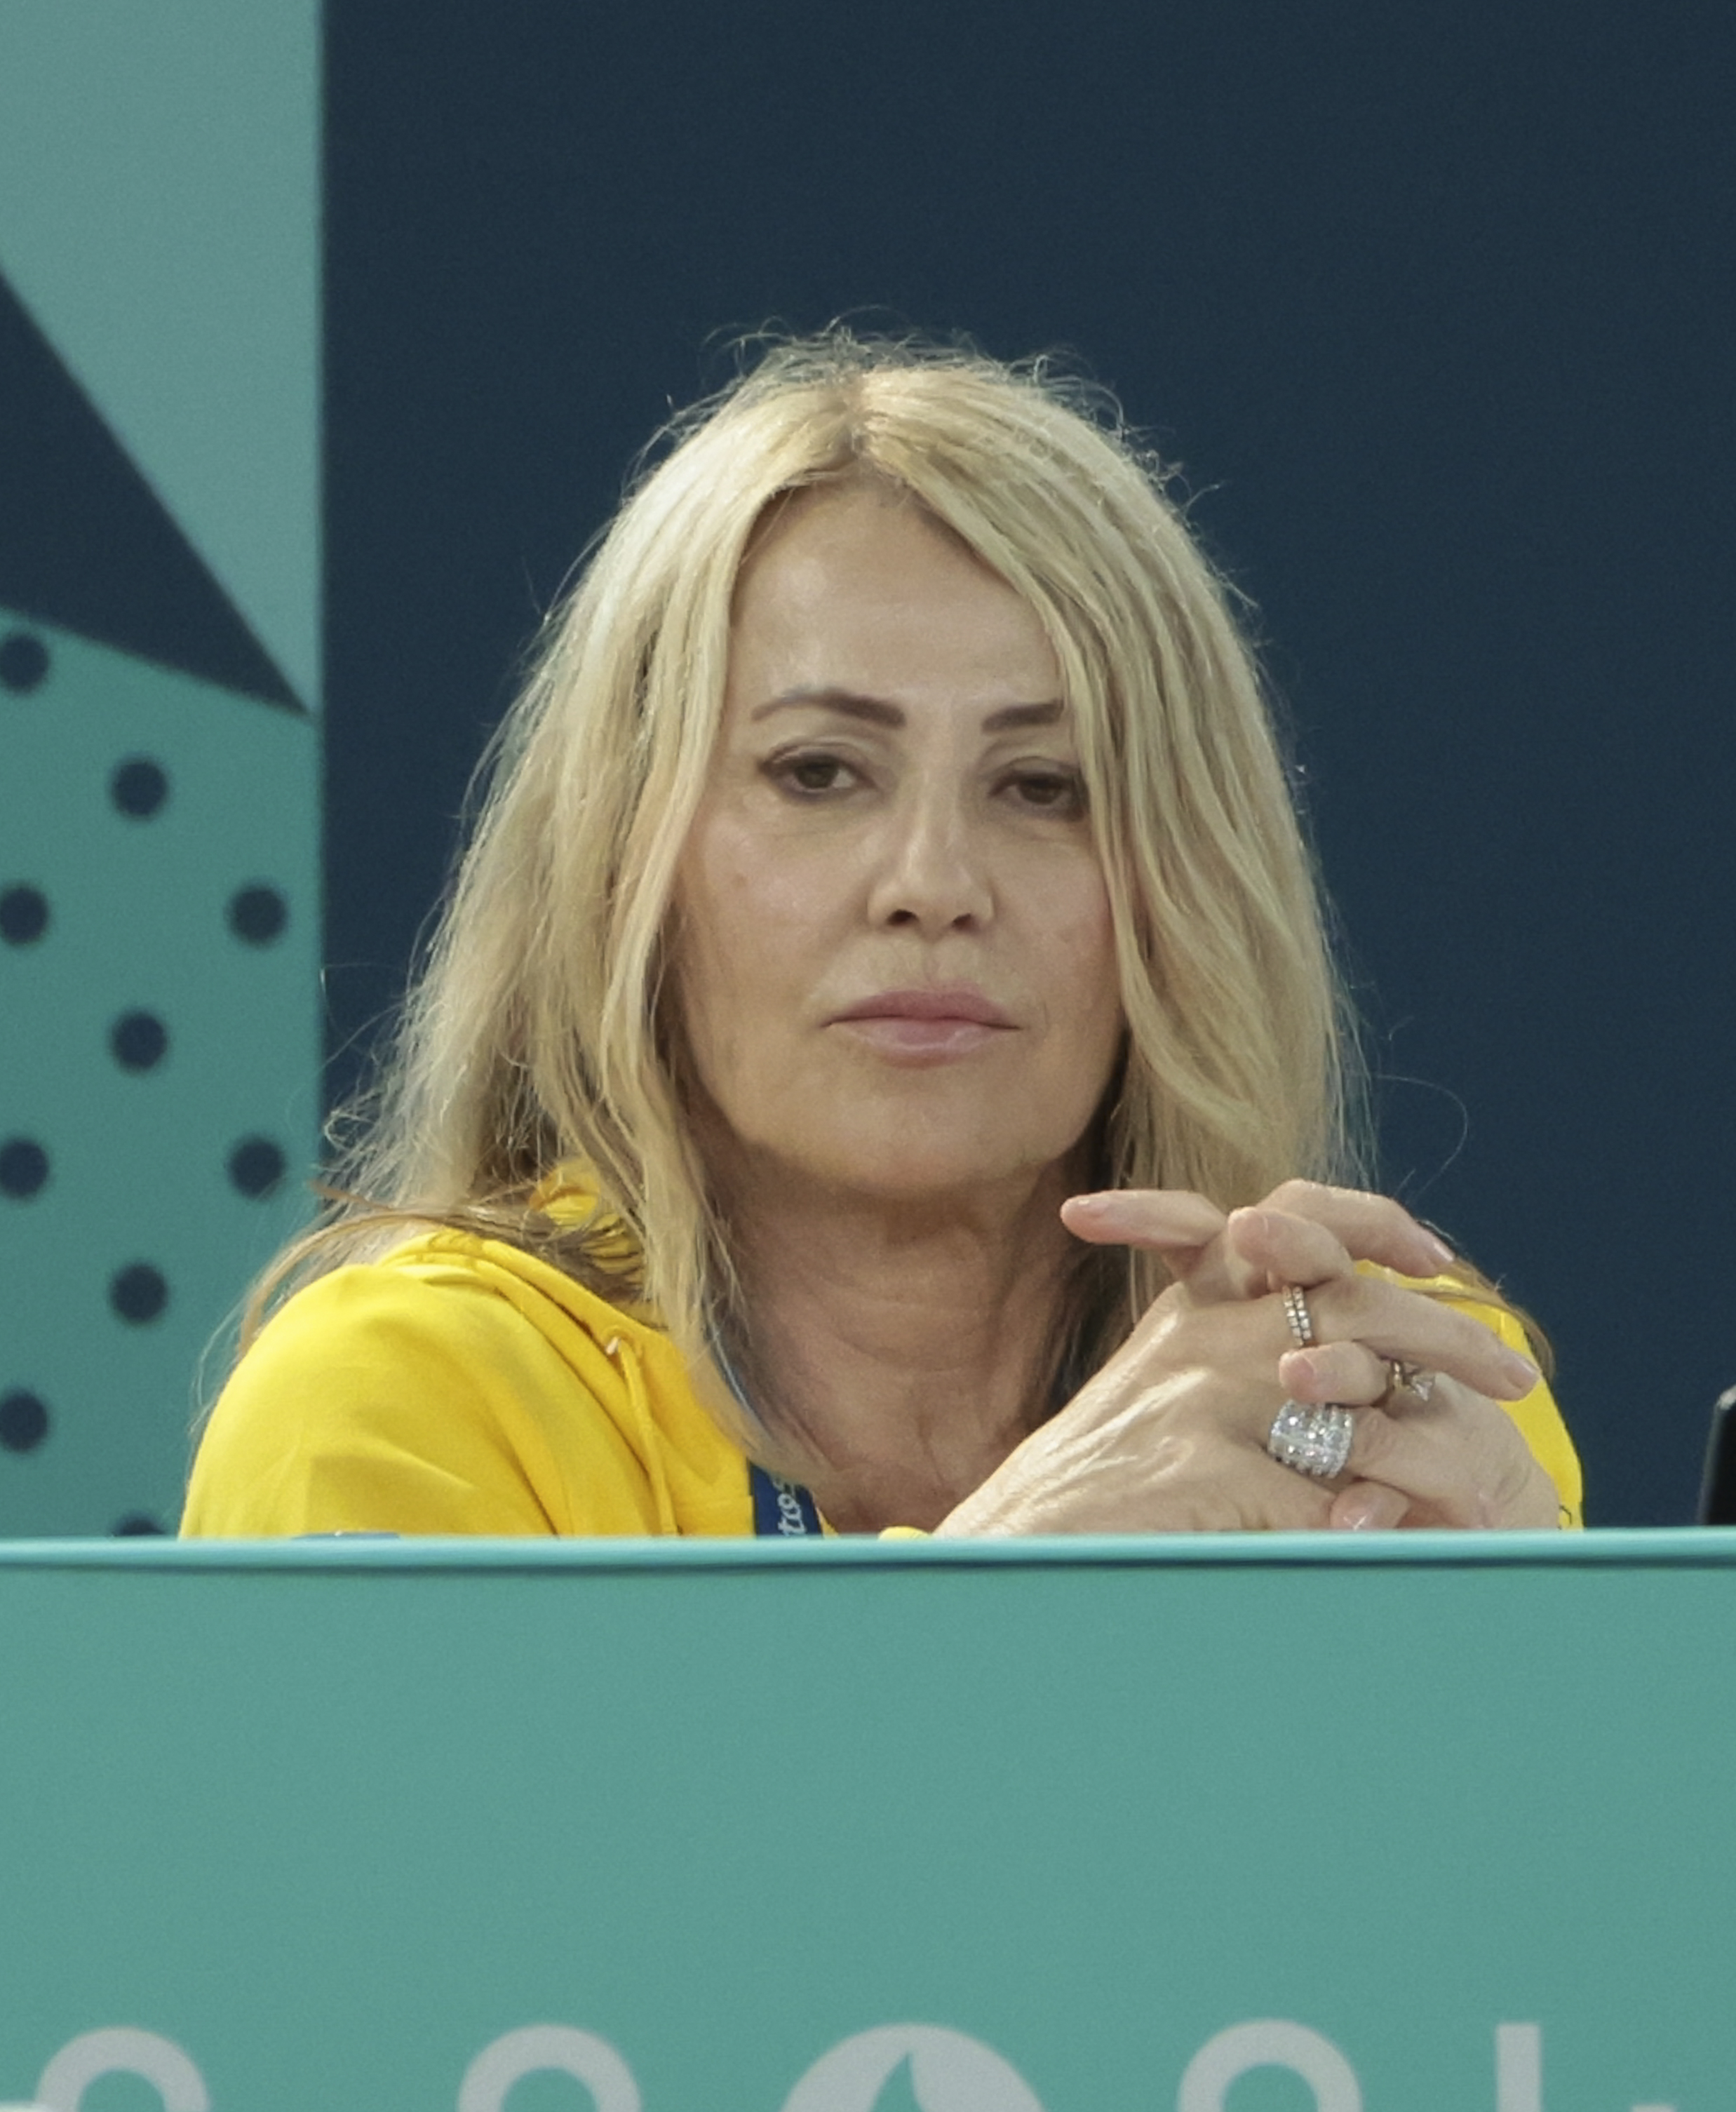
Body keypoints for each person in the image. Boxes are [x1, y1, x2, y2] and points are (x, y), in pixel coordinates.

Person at [182, 335, 1580, 1542]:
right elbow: (476, 1866)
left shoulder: (1381, 1384)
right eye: (817, 774)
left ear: (1182, 886)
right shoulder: (410, 1401)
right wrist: (1005, 1570)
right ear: (626, 865)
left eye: (1045, 788)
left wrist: (1580, 1659)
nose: (931, 882)